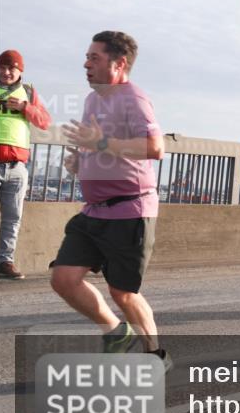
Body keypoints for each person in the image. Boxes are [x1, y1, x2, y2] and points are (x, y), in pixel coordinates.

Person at [50, 31, 172, 371]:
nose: (86, 64)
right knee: (64, 279)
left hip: (130, 208)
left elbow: (155, 148)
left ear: (119, 64)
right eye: (87, 57)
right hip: (93, 212)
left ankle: (155, 355)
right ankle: (116, 332)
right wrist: (80, 160)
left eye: (94, 58)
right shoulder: (93, 101)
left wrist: (101, 144)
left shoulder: (134, 99)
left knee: (123, 293)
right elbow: (96, 145)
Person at [0, 49, 51, 280]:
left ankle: (4, 261)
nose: (7, 72)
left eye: (12, 68)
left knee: (13, 216)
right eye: (2, 67)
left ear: (20, 71)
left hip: (17, 166)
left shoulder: (28, 92)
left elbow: (45, 122)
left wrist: (25, 108)